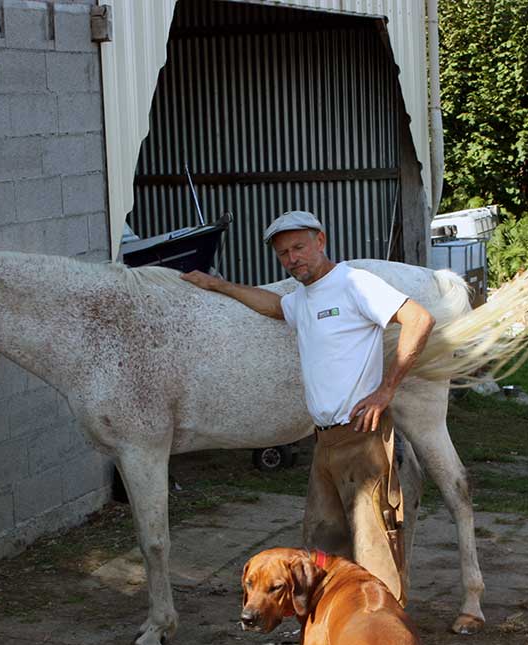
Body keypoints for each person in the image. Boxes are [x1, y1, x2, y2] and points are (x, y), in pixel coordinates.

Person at [181, 210, 434, 605]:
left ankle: (386, 640)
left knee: (375, 549)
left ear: (321, 240)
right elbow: (273, 306)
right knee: (323, 546)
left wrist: (386, 389)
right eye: (284, 254)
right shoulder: (303, 299)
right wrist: (219, 285)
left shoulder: (353, 283)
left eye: (299, 247)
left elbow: (419, 318)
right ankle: (340, 633)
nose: (292, 258)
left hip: (362, 437)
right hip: (325, 442)